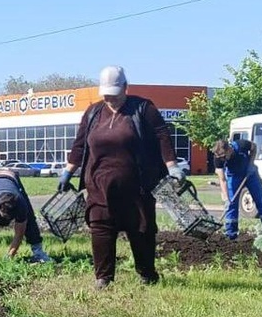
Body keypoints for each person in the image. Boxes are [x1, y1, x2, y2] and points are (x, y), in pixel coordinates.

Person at [57, 66, 183, 289]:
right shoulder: (93, 112)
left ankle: (147, 274)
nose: (110, 99)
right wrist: (68, 171)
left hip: (137, 186)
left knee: (141, 230)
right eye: (106, 95)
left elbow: (162, 136)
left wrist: (172, 166)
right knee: (100, 228)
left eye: (114, 95)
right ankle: (103, 278)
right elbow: (79, 144)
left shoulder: (143, 108)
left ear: (125, 87)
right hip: (99, 185)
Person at [0, 167, 50, 262]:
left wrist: (10, 255)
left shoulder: (20, 204)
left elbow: (19, 234)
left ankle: (38, 252)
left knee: (30, 217)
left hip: (10, 176)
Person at [213, 138, 262, 240]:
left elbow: (254, 147)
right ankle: (231, 235)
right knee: (231, 204)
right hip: (234, 176)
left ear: (229, 150)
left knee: (261, 202)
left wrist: (251, 164)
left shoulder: (241, 145)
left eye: (224, 156)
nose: (223, 159)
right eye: (220, 157)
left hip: (251, 174)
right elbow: (222, 180)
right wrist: (225, 196)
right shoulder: (218, 158)